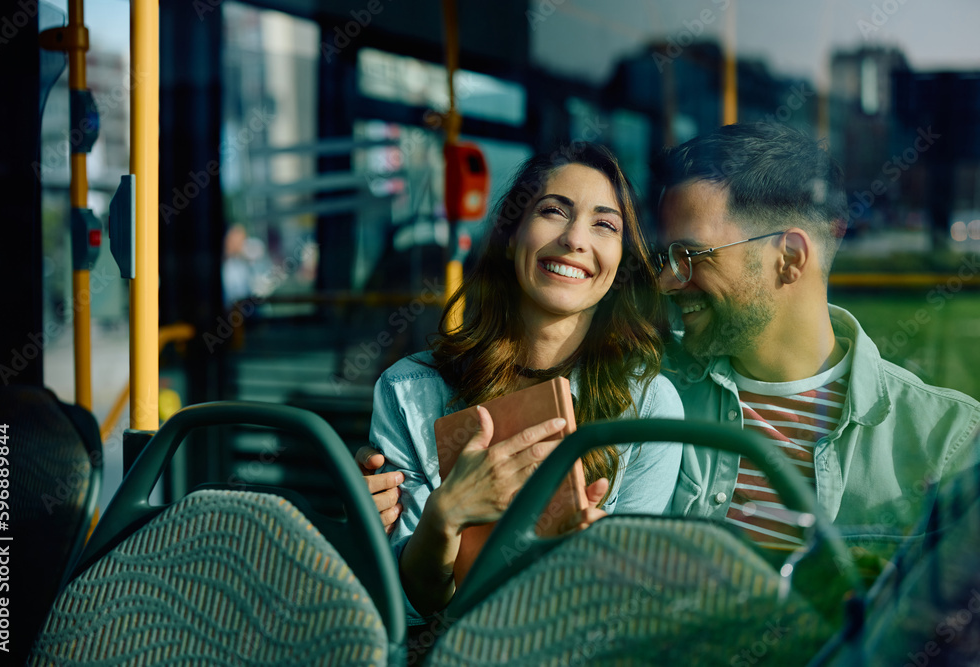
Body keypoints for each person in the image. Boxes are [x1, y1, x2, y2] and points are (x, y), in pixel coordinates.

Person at [369, 143, 684, 623]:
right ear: (512, 234)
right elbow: (410, 606)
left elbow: (624, 613)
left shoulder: (650, 406)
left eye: (605, 224)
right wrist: (444, 516)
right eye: (554, 211)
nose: (575, 238)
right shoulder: (409, 390)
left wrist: (596, 565)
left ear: (621, 261)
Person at [652, 122, 980, 551]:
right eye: (664, 257)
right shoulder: (647, 389)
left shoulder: (947, 443)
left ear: (789, 258)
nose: (666, 281)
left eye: (689, 256)